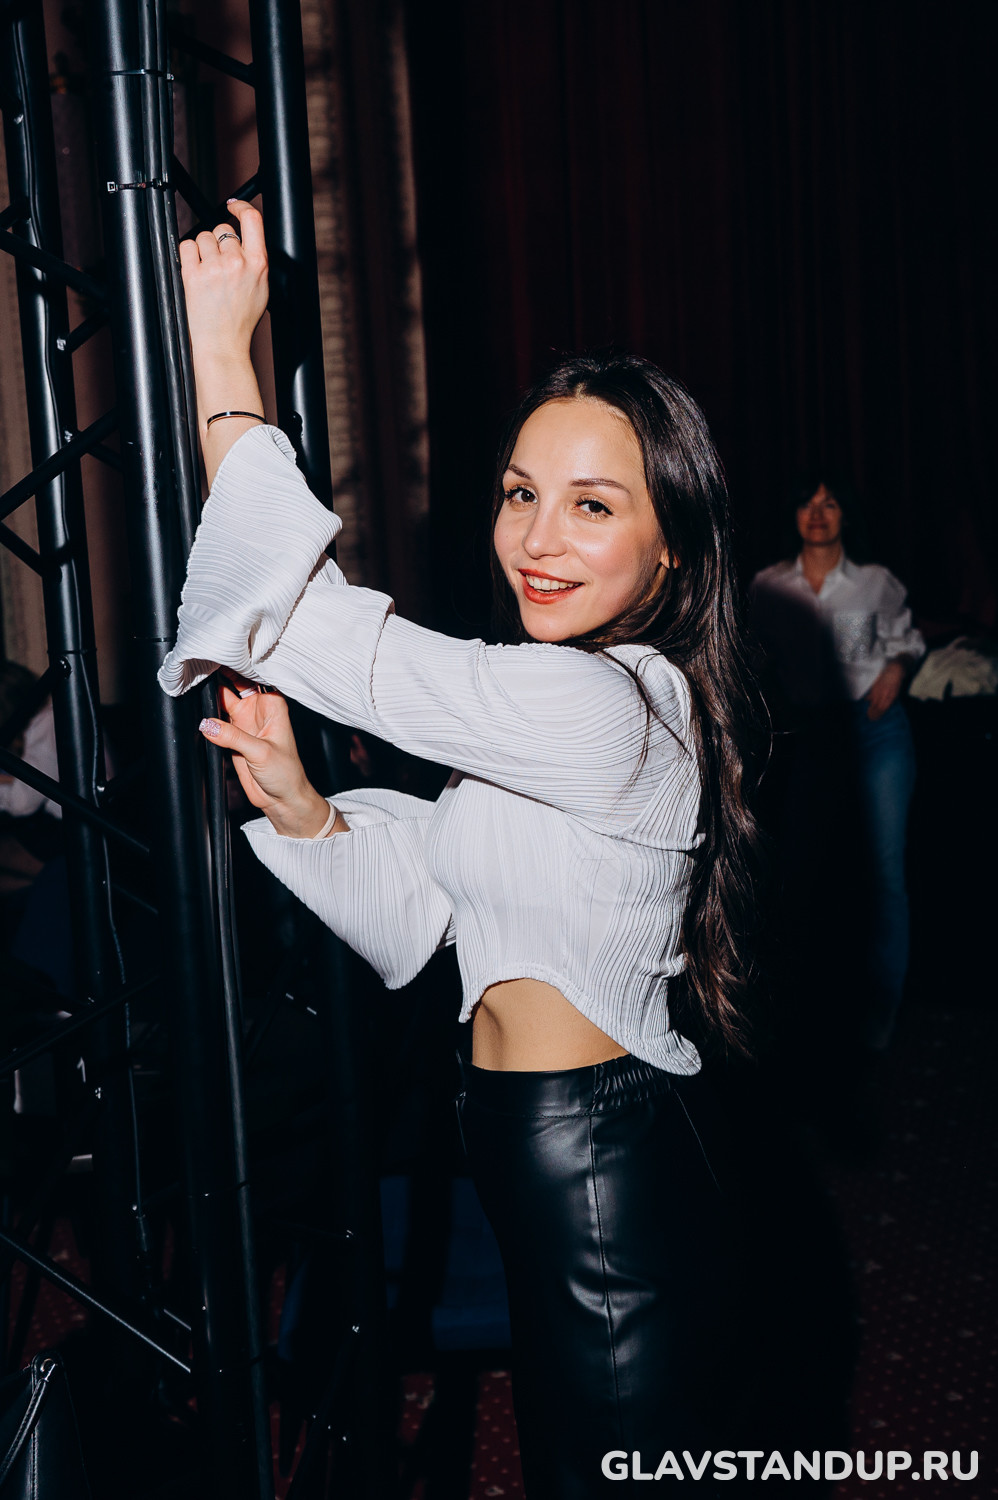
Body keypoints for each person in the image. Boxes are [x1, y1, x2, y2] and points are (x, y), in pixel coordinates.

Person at [158, 201, 768, 1495]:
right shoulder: (571, 700)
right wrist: (306, 808)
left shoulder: (605, 703)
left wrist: (222, 358)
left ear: (670, 547)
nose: (536, 539)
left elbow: (312, 630)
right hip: (536, 1147)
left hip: (600, 1170)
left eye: (591, 505)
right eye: (519, 494)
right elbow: (429, 917)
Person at [749, 478, 926, 1056]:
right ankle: (809, 1013)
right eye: (807, 502)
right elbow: (751, 657)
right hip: (808, 736)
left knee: (884, 873)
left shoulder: (875, 581)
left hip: (874, 730)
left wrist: (896, 668)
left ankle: (881, 1014)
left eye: (830, 503)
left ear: (845, 514)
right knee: (805, 873)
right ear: (793, 513)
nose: (818, 513)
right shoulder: (768, 586)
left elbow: (907, 640)